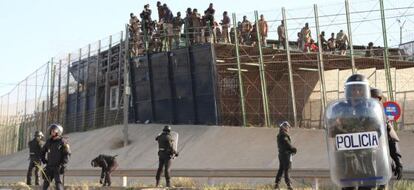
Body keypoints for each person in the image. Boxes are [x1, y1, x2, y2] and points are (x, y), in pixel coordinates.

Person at [325, 74, 392, 190]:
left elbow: (378, 132)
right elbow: (332, 133)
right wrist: (337, 125)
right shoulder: (339, 109)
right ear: (348, 91)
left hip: (367, 158)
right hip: (347, 158)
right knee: (348, 187)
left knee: (367, 186)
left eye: (359, 89)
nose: (356, 92)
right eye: (353, 89)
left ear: (364, 91)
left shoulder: (371, 108)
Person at [370, 88, 403, 181]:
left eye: (377, 99)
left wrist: (398, 163)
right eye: (372, 99)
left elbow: (392, 141)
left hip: (381, 167)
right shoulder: (358, 117)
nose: (374, 102)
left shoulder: (384, 119)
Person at [41, 124, 71, 190]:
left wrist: (63, 165)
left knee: (58, 184)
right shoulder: (49, 141)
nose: (52, 132)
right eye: (51, 131)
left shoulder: (63, 142)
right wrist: (44, 160)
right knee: (45, 185)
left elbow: (67, 154)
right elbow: (42, 151)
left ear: (58, 132)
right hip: (49, 167)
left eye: (54, 131)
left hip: (58, 167)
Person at [275, 121, 297, 190]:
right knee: (287, 170)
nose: (288, 128)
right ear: (284, 127)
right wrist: (294, 149)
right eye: (287, 127)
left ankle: (276, 184)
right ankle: (289, 185)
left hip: (281, 155)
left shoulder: (279, 135)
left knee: (281, 169)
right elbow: (287, 144)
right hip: (286, 155)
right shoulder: (283, 135)